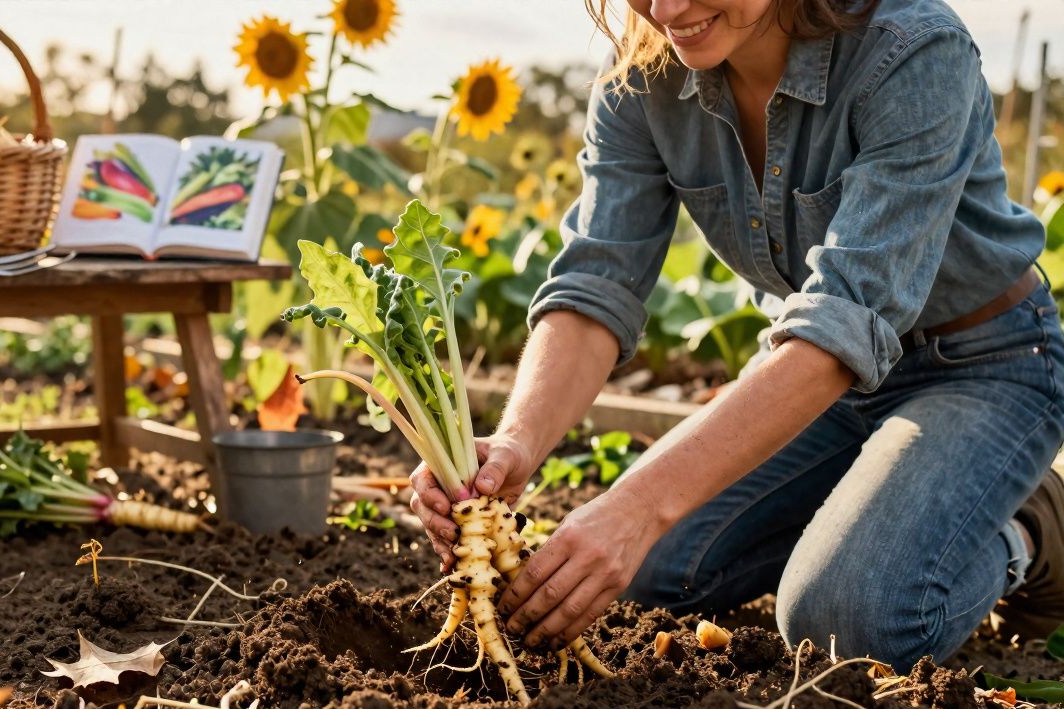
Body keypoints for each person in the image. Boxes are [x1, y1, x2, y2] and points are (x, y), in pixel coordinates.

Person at [408, 0, 1064, 671]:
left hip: (980, 364)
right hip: (817, 385)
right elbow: (596, 284)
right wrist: (517, 441)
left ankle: (1029, 528)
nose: (665, 10)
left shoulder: (913, 50)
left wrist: (637, 507)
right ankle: (875, 506)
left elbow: (845, 320)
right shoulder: (641, 72)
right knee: (641, 578)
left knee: (842, 619)